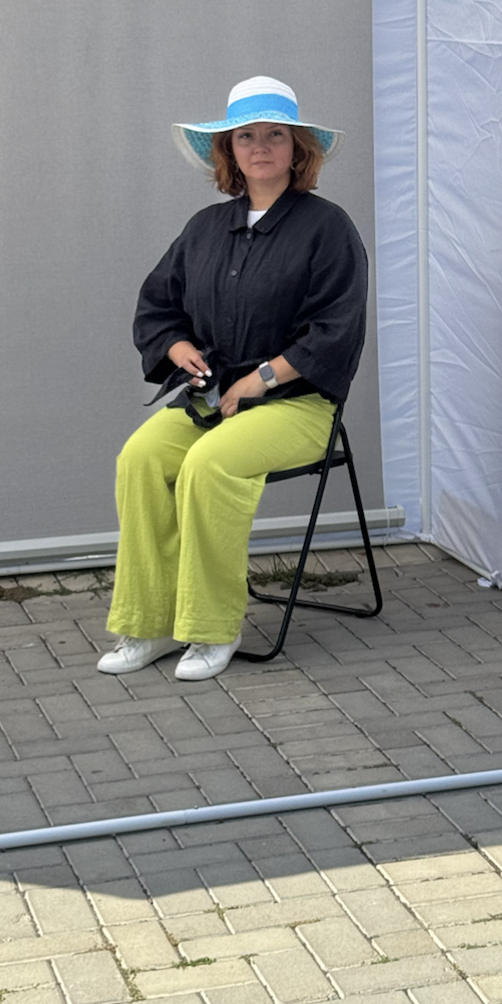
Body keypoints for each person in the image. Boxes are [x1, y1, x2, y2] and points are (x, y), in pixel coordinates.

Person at [98, 75, 368, 682]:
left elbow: (336, 327)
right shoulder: (204, 228)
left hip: (298, 405)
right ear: (228, 151)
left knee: (207, 465)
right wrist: (178, 346)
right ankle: (150, 623)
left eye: (275, 135)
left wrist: (262, 379)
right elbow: (157, 305)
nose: (260, 146)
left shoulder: (327, 228)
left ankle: (212, 627)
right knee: (139, 459)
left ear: (298, 149)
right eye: (246, 136)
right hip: (214, 400)